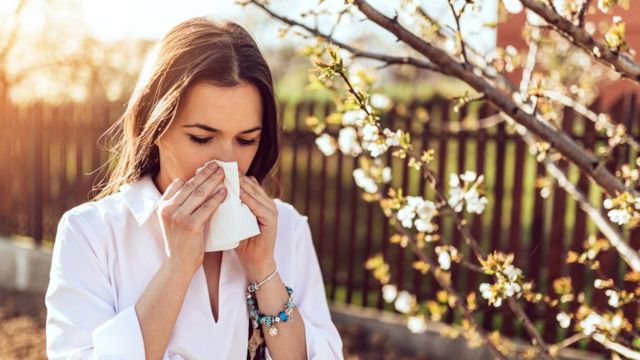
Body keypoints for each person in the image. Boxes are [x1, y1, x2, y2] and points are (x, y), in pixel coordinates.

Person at [44, 16, 343, 360]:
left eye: (246, 140)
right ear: (154, 126)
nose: (225, 163)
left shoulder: (285, 228)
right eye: (202, 138)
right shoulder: (92, 234)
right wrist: (176, 270)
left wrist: (264, 270)